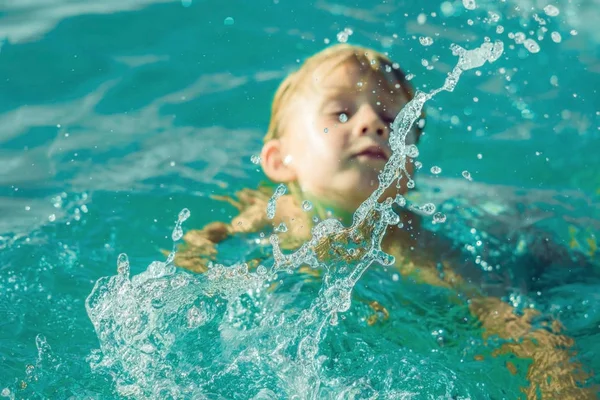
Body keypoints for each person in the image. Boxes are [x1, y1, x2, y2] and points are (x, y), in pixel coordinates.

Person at [174, 44, 595, 398]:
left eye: (393, 120)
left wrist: (557, 374)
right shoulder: (271, 210)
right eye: (341, 114)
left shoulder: (408, 242)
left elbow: (502, 311)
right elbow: (210, 239)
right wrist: (196, 254)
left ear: (408, 170)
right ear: (280, 160)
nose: (372, 124)